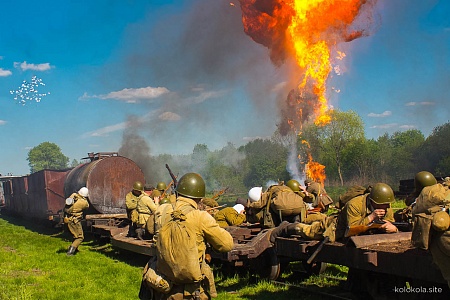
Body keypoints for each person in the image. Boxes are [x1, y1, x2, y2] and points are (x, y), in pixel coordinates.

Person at [139, 173, 234, 300]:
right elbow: (227, 244)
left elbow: (149, 228)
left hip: (162, 286)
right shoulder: (200, 217)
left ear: (178, 192)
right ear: (200, 198)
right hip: (190, 292)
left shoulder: (163, 209)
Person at [64, 187, 90, 256]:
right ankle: (70, 252)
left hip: (68, 219)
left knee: (75, 236)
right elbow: (87, 207)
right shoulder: (84, 202)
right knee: (80, 237)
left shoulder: (73, 196)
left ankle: (75, 249)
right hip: (74, 221)